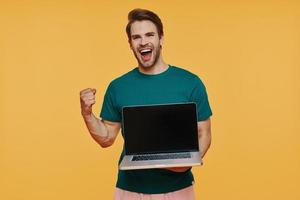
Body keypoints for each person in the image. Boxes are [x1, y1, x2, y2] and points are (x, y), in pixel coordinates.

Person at [80, 8, 212, 200]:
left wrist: (182, 163)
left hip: (178, 189)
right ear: (130, 44)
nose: (143, 42)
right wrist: (86, 113)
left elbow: (204, 133)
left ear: (161, 39)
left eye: (150, 34)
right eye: (136, 37)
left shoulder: (190, 82)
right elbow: (106, 138)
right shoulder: (118, 87)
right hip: (130, 189)